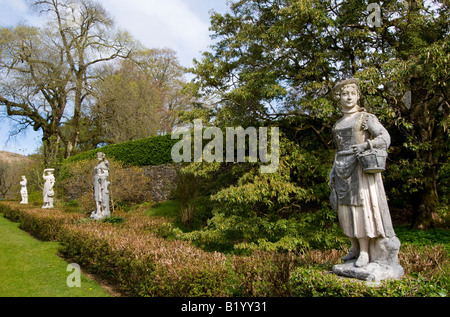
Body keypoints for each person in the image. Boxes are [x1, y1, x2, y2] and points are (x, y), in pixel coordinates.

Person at [329, 78, 396, 268]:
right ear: (339, 97)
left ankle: (366, 251)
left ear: (358, 96)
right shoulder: (339, 123)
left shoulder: (365, 118)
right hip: (341, 168)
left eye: (352, 93)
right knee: (344, 210)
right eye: (344, 94)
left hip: (359, 168)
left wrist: (367, 144)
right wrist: (333, 172)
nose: (348, 97)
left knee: (360, 209)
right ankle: (354, 246)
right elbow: (337, 149)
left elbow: (385, 137)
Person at [90, 152, 110, 219]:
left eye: (99, 157)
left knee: (101, 197)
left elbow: (106, 175)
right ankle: (98, 210)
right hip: (96, 182)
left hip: (101, 183)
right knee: (97, 196)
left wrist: (99, 176)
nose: (98, 158)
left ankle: (102, 211)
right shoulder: (98, 165)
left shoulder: (103, 164)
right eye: (97, 157)